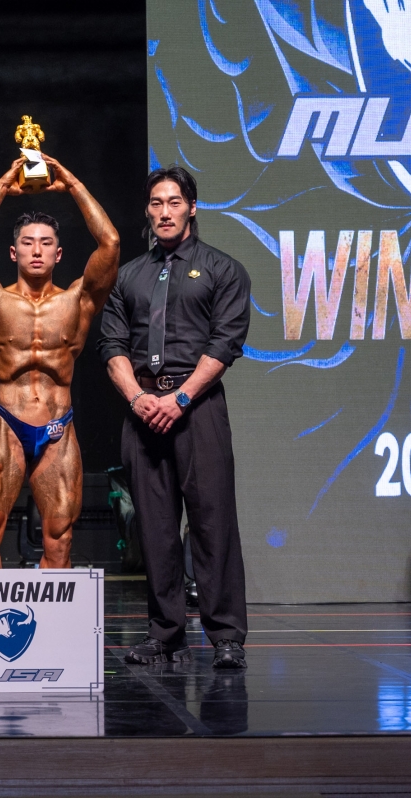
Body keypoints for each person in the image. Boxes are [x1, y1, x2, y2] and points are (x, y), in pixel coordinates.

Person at [99, 164, 251, 670]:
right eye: (156, 203)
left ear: (192, 207)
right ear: (148, 211)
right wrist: (136, 398)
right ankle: (165, 635)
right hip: (143, 412)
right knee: (155, 529)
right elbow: (112, 344)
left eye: (174, 202)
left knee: (212, 523)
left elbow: (225, 343)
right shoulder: (129, 276)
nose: (165, 212)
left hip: (198, 409)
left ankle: (225, 636)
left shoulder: (222, 269)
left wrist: (180, 399)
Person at [0, 154, 119, 568]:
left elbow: (110, 243)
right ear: (13, 252)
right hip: (7, 424)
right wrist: (2, 185)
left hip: (57, 428)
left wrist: (73, 184)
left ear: (59, 254)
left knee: (60, 537)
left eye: (46, 243)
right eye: (28, 242)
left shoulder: (78, 301)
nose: (36, 250)